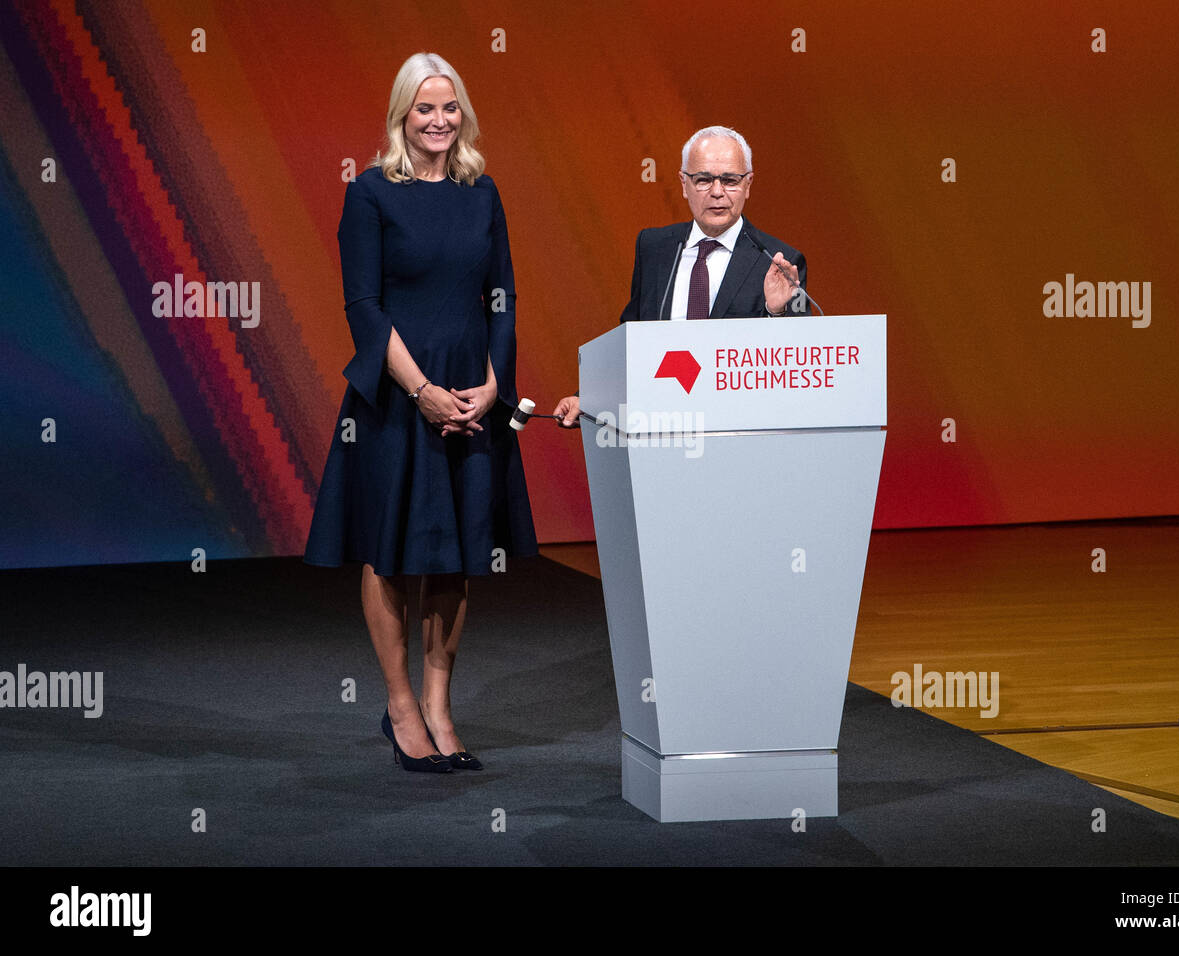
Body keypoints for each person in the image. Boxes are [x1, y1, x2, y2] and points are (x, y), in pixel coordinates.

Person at [304, 53, 536, 772]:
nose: (439, 121)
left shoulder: (482, 191)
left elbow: (502, 297)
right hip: (399, 395)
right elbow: (362, 307)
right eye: (424, 108)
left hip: (473, 394)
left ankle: (440, 704)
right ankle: (400, 706)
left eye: (450, 107)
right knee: (392, 552)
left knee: (458, 550)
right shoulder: (371, 194)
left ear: (462, 113)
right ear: (402, 114)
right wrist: (422, 391)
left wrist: (494, 387)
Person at [551, 125, 806, 426]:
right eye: (703, 180)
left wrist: (775, 312)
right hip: (659, 420)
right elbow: (631, 336)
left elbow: (794, 363)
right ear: (684, 184)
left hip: (737, 426)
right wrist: (589, 396)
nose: (717, 192)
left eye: (730, 180)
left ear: (748, 185)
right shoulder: (655, 247)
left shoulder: (777, 260)